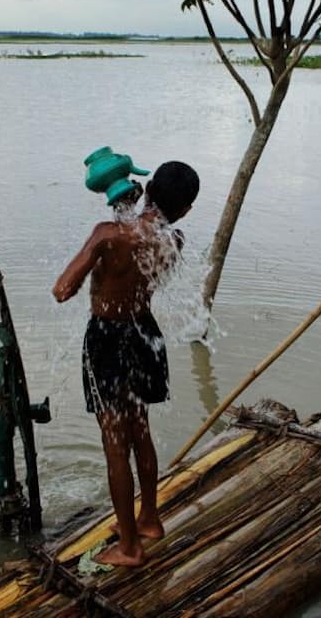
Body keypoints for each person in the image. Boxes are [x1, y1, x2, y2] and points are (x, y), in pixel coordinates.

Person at [53, 160, 200, 567]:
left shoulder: (108, 236)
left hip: (108, 337)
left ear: (147, 187)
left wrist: (100, 242)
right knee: (140, 430)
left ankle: (130, 547)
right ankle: (148, 519)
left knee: (115, 443)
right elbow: (142, 248)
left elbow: (63, 290)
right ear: (185, 210)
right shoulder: (176, 239)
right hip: (145, 334)